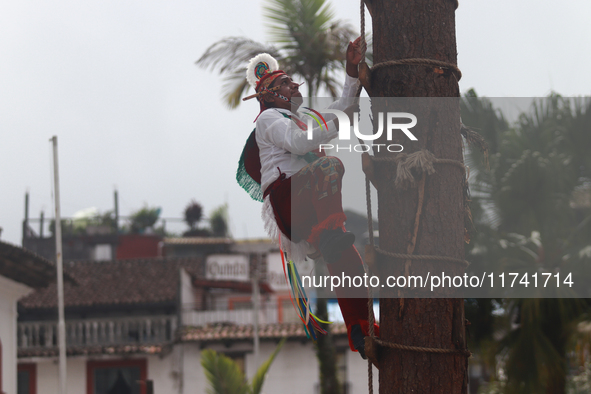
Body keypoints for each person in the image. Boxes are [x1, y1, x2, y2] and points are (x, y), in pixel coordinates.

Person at [237, 37, 378, 358]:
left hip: (304, 202)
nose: (296, 85)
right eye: (287, 83)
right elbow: (301, 144)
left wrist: (351, 69)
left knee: (348, 261)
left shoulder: (299, 118)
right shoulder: (270, 120)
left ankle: (361, 329)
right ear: (270, 94)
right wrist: (341, 121)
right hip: (288, 200)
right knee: (330, 167)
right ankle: (328, 234)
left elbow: (343, 105)